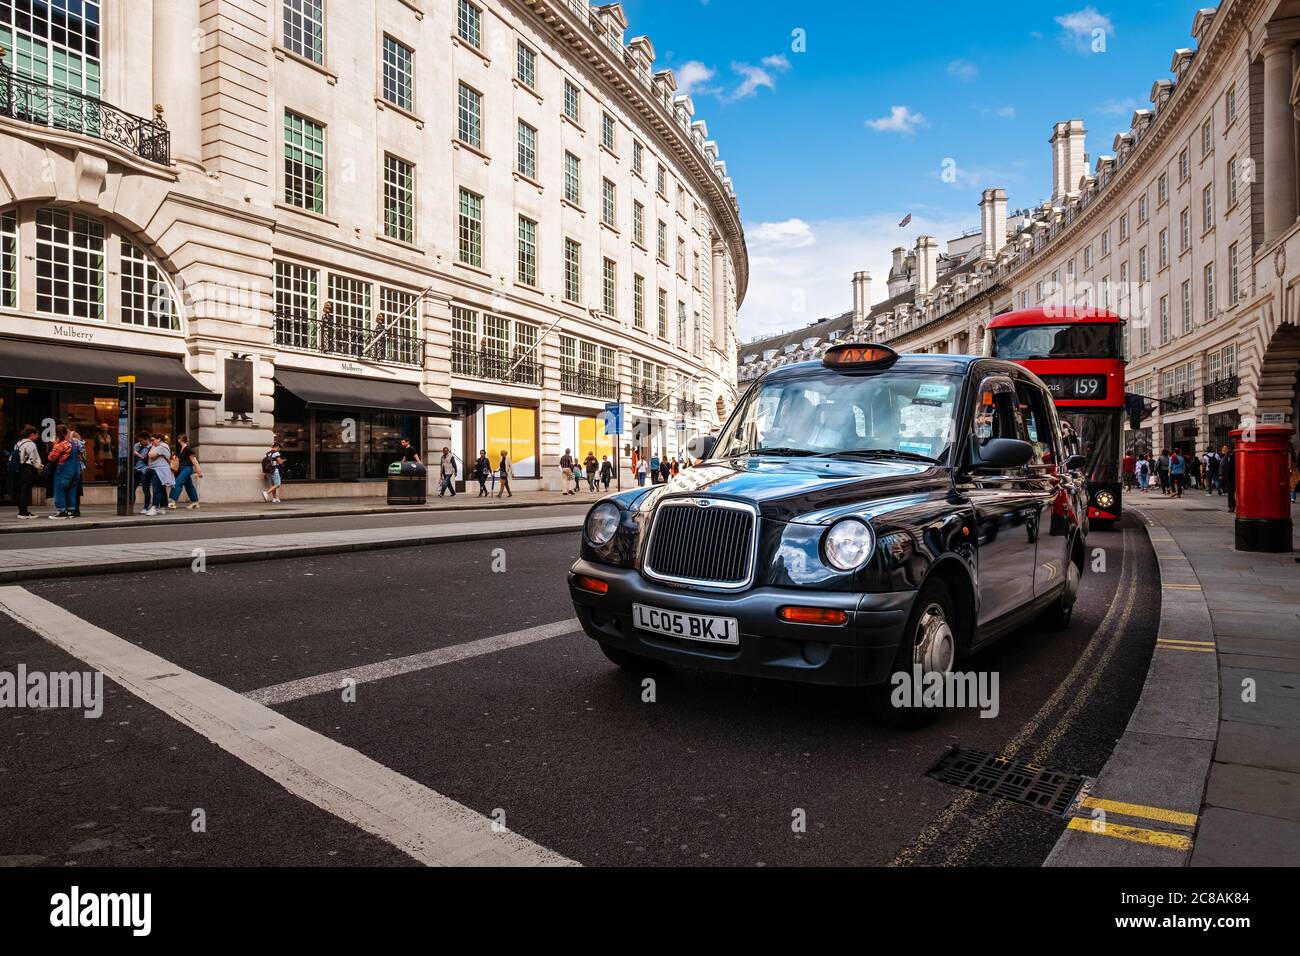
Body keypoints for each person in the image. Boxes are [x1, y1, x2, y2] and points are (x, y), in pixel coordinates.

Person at [45, 424, 84, 520]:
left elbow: (51, 457)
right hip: (76, 470)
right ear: (67, 432)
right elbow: (82, 451)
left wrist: (53, 445)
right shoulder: (75, 442)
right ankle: (71, 510)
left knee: (60, 490)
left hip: (64, 470)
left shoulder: (61, 445)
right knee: (72, 491)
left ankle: (62, 511)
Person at [11, 425, 42, 519]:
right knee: (26, 491)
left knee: (21, 491)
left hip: (18, 468)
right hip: (27, 469)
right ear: (32, 435)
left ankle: (22, 511)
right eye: (37, 435)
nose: (37, 437)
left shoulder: (18, 443)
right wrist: (40, 467)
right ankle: (23, 513)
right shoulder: (31, 444)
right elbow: (34, 458)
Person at [169, 434, 203, 510]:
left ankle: (172, 501)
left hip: (187, 469)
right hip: (182, 469)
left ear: (181, 439)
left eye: (179, 438)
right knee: (189, 485)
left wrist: (199, 471)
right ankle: (195, 502)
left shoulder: (188, 449)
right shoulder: (181, 449)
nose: (178, 439)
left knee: (178, 482)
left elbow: (194, 460)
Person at [143, 433, 174, 516]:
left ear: (159, 439)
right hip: (157, 470)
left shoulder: (162, 447)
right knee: (161, 489)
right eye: (151, 440)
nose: (151, 442)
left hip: (159, 470)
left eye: (153, 440)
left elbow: (151, 455)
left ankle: (154, 507)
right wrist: (154, 445)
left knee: (156, 488)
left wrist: (153, 446)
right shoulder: (159, 446)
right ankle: (162, 507)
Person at [130, 430, 153, 512]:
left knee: (145, 489)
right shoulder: (137, 445)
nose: (140, 443)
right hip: (136, 470)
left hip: (145, 471)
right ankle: (130, 506)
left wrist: (138, 455)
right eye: (139, 441)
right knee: (131, 489)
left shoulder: (151, 447)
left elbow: (147, 460)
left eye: (141, 441)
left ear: (147, 439)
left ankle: (146, 508)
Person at [1220, 444, 1236, 511]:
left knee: (1231, 493)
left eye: (1226, 448)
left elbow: (1222, 465)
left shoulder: (1230, 456)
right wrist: (1221, 474)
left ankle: (1232, 506)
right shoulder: (1226, 456)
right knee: (1230, 492)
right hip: (1230, 477)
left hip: (1232, 476)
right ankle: (1231, 506)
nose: (1224, 450)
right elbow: (1222, 466)